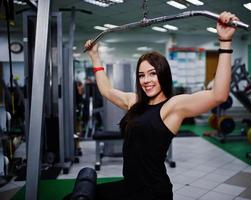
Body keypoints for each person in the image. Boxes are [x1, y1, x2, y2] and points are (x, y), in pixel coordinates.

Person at [81, 11, 238, 200]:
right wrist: (95, 57)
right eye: (141, 75)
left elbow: (218, 95)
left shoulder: (173, 106)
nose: (146, 80)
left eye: (152, 73)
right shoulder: (134, 102)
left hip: (153, 192)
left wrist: (225, 42)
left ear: (163, 74)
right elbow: (106, 90)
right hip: (130, 186)